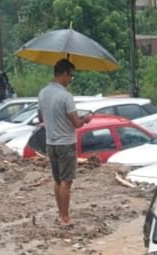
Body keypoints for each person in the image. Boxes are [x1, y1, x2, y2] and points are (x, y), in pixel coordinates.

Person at [37, 59, 88, 227]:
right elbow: (76, 123)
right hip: (65, 142)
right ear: (65, 74)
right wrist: (86, 119)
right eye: (71, 76)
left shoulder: (43, 93)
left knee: (57, 180)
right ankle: (65, 218)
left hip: (50, 142)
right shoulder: (66, 96)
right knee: (67, 181)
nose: (71, 80)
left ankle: (60, 214)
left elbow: (40, 118)